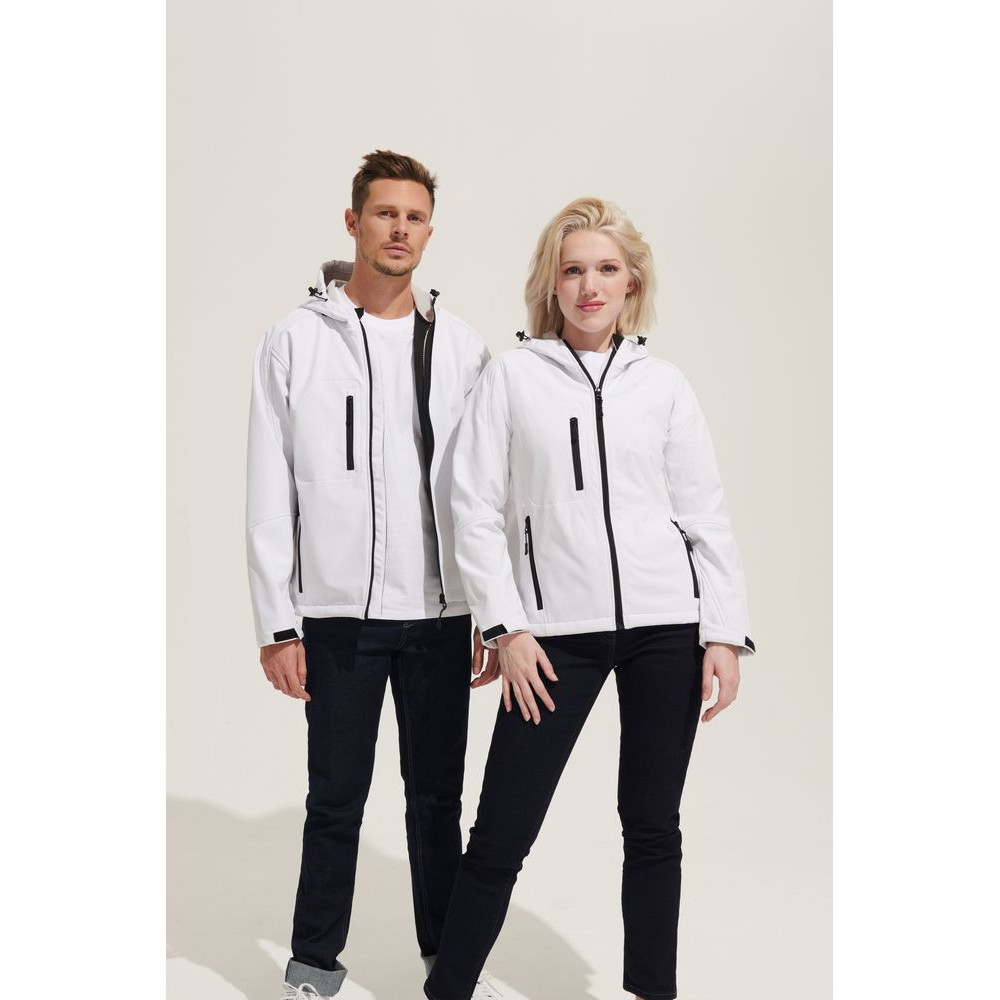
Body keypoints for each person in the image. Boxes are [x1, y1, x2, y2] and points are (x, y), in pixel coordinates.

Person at [424, 197, 755, 1000]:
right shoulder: (512, 377)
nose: (590, 285)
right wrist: (506, 628)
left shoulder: (662, 385)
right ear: (552, 284)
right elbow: (471, 507)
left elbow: (703, 511)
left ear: (632, 281)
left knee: (653, 824)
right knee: (502, 830)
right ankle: (447, 991)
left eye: (606, 268)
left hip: (665, 629)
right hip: (552, 636)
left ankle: (652, 991)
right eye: (573, 270)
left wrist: (723, 631)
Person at [246, 150, 498, 1000]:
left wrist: (489, 610)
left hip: (439, 617)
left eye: (414, 216)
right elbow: (269, 489)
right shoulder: (295, 341)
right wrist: (277, 623)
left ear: (429, 231)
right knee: (334, 801)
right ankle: (313, 966)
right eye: (385, 213)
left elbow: (486, 492)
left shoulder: (462, 347)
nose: (399, 229)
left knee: (437, 803)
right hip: (337, 616)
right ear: (353, 222)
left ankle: (445, 964)